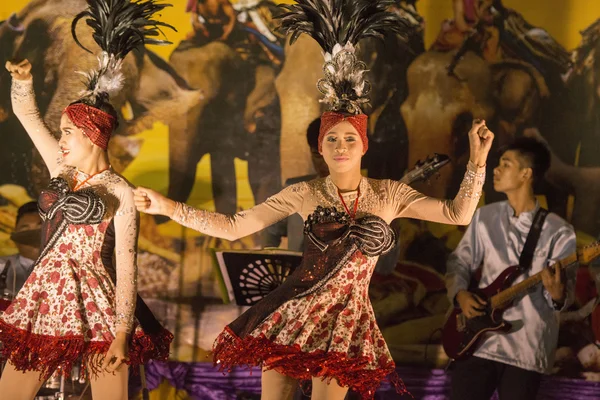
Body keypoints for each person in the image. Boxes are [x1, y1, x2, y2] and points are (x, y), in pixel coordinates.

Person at [134, 1, 493, 399]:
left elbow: (458, 214)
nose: (340, 146)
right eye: (331, 139)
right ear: (320, 147)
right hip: (293, 312)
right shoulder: (304, 193)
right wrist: (167, 207)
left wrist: (477, 162)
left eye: (349, 138)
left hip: (347, 321)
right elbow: (233, 227)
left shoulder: (388, 194)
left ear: (364, 145)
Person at [0, 1, 174, 399]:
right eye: (60, 132)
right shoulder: (60, 170)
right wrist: (23, 82)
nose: (60, 140)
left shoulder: (120, 192)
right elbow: (27, 116)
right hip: (44, 297)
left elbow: (127, 267)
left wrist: (122, 334)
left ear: (93, 135)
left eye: (67, 133)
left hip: (98, 306)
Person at [445, 137, 576, 400]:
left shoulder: (559, 231)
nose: (496, 169)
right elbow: (459, 262)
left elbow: (564, 295)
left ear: (526, 173)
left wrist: (558, 294)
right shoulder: (484, 217)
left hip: (527, 348)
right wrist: (460, 294)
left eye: (506, 164)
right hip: (478, 341)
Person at [262, 117, 329, 251]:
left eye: (331, 156)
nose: (324, 163)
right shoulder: (295, 190)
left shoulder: (366, 195)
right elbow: (270, 230)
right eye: (317, 155)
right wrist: (269, 261)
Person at [0, 201, 41, 299]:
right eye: (25, 230)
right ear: (15, 236)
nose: (32, 236)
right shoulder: (2, 266)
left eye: (40, 228)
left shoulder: (69, 268)